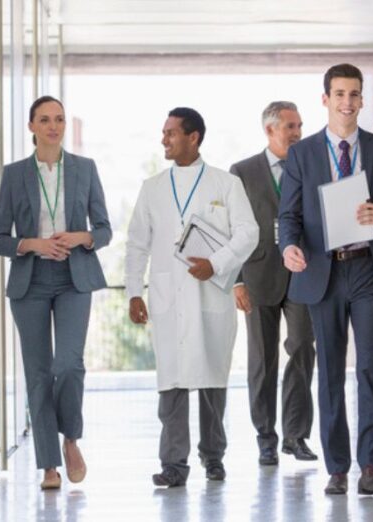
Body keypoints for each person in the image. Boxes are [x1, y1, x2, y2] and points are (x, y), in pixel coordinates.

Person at [278, 63, 373, 495]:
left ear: (362, 99)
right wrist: (288, 247)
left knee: (369, 367)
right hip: (323, 272)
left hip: (368, 270)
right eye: (339, 94)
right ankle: (336, 468)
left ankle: (371, 463)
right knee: (331, 370)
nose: (348, 102)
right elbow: (289, 215)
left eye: (355, 94)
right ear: (326, 99)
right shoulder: (302, 153)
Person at [125, 107, 259, 488]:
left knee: (212, 379)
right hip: (168, 295)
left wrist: (216, 264)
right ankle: (173, 464)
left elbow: (248, 233)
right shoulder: (152, 187)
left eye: (170, 133)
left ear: (194, 137)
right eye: (164, 132)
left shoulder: (225, 184)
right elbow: (137, 244)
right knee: (171, 382)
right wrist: (135, 293)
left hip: (210, 294)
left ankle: (213, 457)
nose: (164, 139)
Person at [0, 95, 112, 490]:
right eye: (44, 119)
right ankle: (49, 465)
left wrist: (82, 237)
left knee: (69, 364)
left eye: (58, 119)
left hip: (75, 279)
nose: (53, 126)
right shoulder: (14, 174)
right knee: (39, 374)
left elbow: (105, 230)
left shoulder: (85, 169)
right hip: (31, 283)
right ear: (31, 127)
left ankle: (71, 438)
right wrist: (33, 244)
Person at [230, 101, 317, 466]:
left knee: (301, 348)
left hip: (302, 273)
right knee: (262, 360)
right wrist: (235, 280)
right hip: (258, 274)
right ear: (270, 130)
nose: (297, 132)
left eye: (299, 125)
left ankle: (295, 436)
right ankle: (266, 436)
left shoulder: (313, 166)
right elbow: (229, 227)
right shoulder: (242, 171)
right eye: (290, 126)